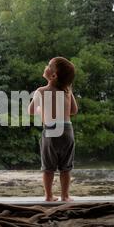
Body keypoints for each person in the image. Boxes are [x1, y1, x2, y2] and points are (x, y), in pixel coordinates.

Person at [28, 57, 78, 202]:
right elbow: (74, 110)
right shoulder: (68, 91)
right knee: (66, 167)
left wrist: (40, 110)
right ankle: (65, 196)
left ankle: (49, 196)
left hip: (50, 131)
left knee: (48, 167)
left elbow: (31, 111)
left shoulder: (41, 91)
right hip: (67, 130)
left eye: (48, 65)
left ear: (53, 75)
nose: (45, 66)